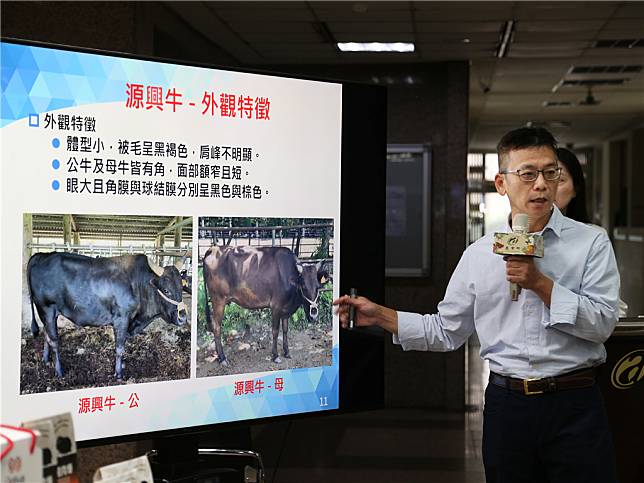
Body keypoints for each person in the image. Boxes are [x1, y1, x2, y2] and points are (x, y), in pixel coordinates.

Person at [334, 127, 620, 483]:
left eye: (551, 172)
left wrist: (540, 284)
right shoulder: (479, 253)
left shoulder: (591, 243)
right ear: (501, 183)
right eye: (528, 174)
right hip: (508, 406)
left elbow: (602, 323)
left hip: (575, 402)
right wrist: (382, 316)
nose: (542, 184)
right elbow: (445, 331)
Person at [555, 147, 628, 317]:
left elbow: (611, 308)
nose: (546, 186)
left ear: (575, 189)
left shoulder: (594, 237)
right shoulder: (504, 239)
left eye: (559, 180)